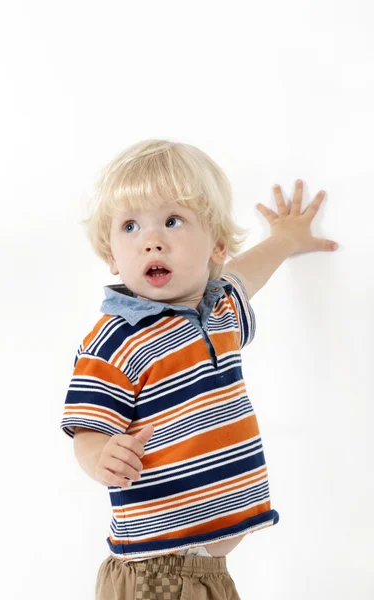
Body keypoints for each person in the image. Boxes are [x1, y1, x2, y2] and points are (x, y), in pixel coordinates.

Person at [60, 138, 338, 599]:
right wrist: (100, 458)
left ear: (217, 245)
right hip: (158, 575)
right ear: (111, 256)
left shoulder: (221, 309)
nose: (152, 239)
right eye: (130, 226)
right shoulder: (117, 337)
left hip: (208, 572)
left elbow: (249, 272)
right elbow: (88, 427)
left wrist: (286, 239)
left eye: (173, 221)